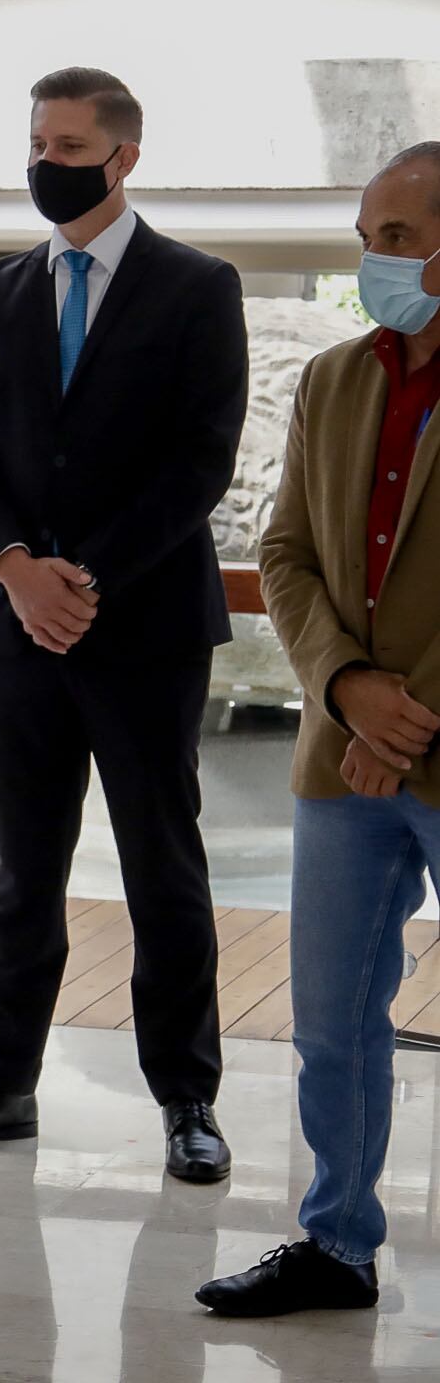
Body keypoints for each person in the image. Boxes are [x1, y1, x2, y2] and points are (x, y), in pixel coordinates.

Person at [0, 66, 244, 1181]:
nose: (44, 164)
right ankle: (0, 1084)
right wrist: (16, 568)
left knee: (163, 866)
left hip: (144, 629)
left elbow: (200, 461)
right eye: (37, 144)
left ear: (121, 156)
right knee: (23, 869)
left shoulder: (198, 287)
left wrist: (83, 577)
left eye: (66, 147)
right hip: (16, 627)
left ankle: (187, 1098)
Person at [200, 142, 440, 1317]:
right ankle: (336, 1243)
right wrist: (347, 687)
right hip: (341, 754)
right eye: (366, 237)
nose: (372, 260)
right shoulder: (335, 378)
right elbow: (285, 553)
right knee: (333, 1023)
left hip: (408, 737)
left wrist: (402, 715)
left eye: (396, 239)